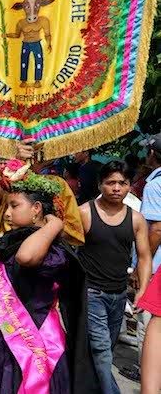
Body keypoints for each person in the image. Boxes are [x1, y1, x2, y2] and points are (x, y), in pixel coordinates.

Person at [0, 160, 97, 393]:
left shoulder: (49, 247)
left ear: (36, 208)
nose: (6, 213)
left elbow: (26, 257)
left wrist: (53, 224)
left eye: (14, 206)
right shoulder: (11, 240)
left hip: (30, 338)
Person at [78, 160, 152, 394]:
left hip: (118, 294)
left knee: (105, 349)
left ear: (130, 186)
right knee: (101, 351)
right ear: (101, 185)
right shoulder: (84, 213)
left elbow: (144, 256)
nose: (117, 188)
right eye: (111, 183)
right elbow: (69, 251)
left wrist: (142, 291)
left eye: (123, 183)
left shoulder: (136, 219)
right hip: (91, 293)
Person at [0, 139, 85, 246]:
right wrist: (15, 164)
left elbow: (72, 231)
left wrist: (43, 229)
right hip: (3, 247)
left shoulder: (57, 183)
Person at [137, 132, 161, 393]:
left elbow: (156, 229)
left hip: (155, 262)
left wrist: (145, 262)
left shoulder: (155, 184)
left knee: (147, 323)